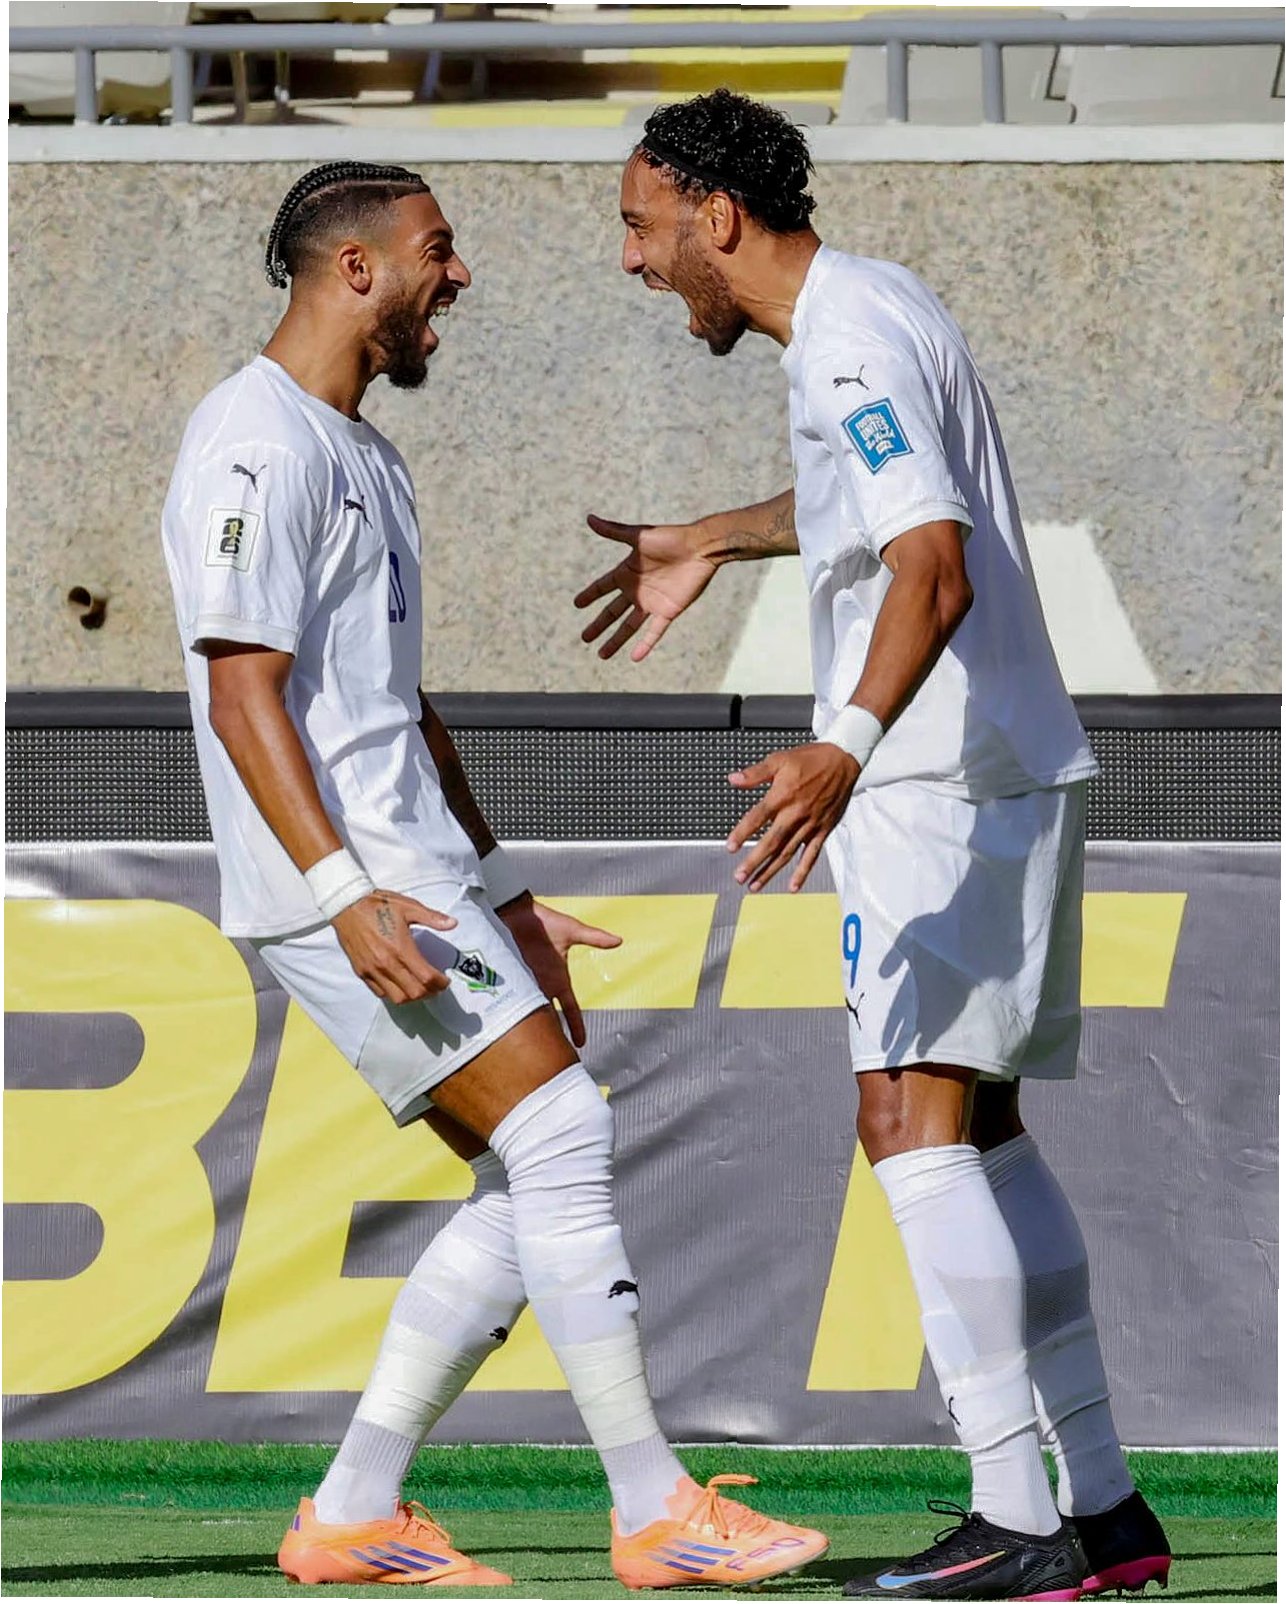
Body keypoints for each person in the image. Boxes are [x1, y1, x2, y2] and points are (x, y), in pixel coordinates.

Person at [161, 159, 828, 1592]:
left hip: (417, 874)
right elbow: (240, 694)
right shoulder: (251, 440)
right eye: (438, 250)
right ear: (356, 268)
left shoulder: (367, 456)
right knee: (564, 1134)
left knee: (531, 1181)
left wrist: (506, 893)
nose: (457, 277)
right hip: (348, 884)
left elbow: (398, 709)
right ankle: (654, 1510)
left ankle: (353, 1511)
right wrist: (343, 894)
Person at [576, 91, 1172, 1602]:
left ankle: (1014, 1518)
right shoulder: (872, 303)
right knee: (979, 1129)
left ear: (717, 215)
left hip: (930, 778)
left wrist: (844, 745)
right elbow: (878, 500)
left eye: (643, 227)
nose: (633, 260)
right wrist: (713, 535)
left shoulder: (842, 337)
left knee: (905, 1122)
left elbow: (931, 564)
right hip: (1000, 764)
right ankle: (1101, 1505)